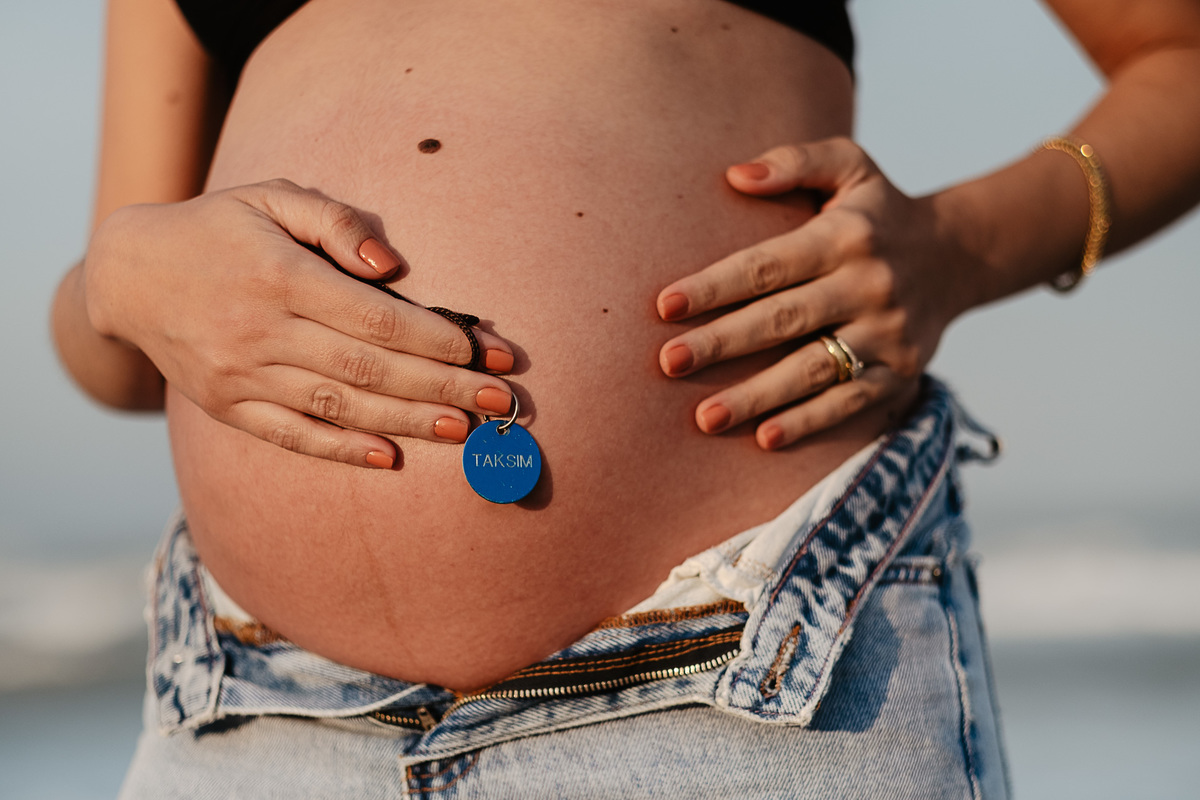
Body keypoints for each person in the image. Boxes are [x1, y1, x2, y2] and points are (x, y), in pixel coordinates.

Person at [50, 0, 1200, 797]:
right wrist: (117, 275)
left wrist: (960, 246)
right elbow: (117, 362)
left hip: (752, 682)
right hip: (254, 711)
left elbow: (1177, 59)